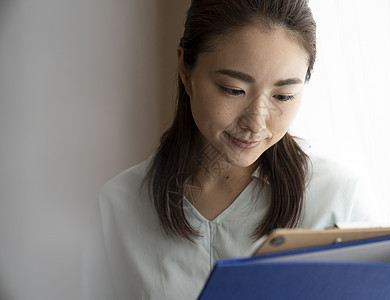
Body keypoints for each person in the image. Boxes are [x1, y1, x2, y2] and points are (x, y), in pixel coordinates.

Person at [82, 0, 374, 299]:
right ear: (185, 68)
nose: (256, 124)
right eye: (234, 90)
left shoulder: (339, 198)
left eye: (284, 96)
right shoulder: (119, 205)